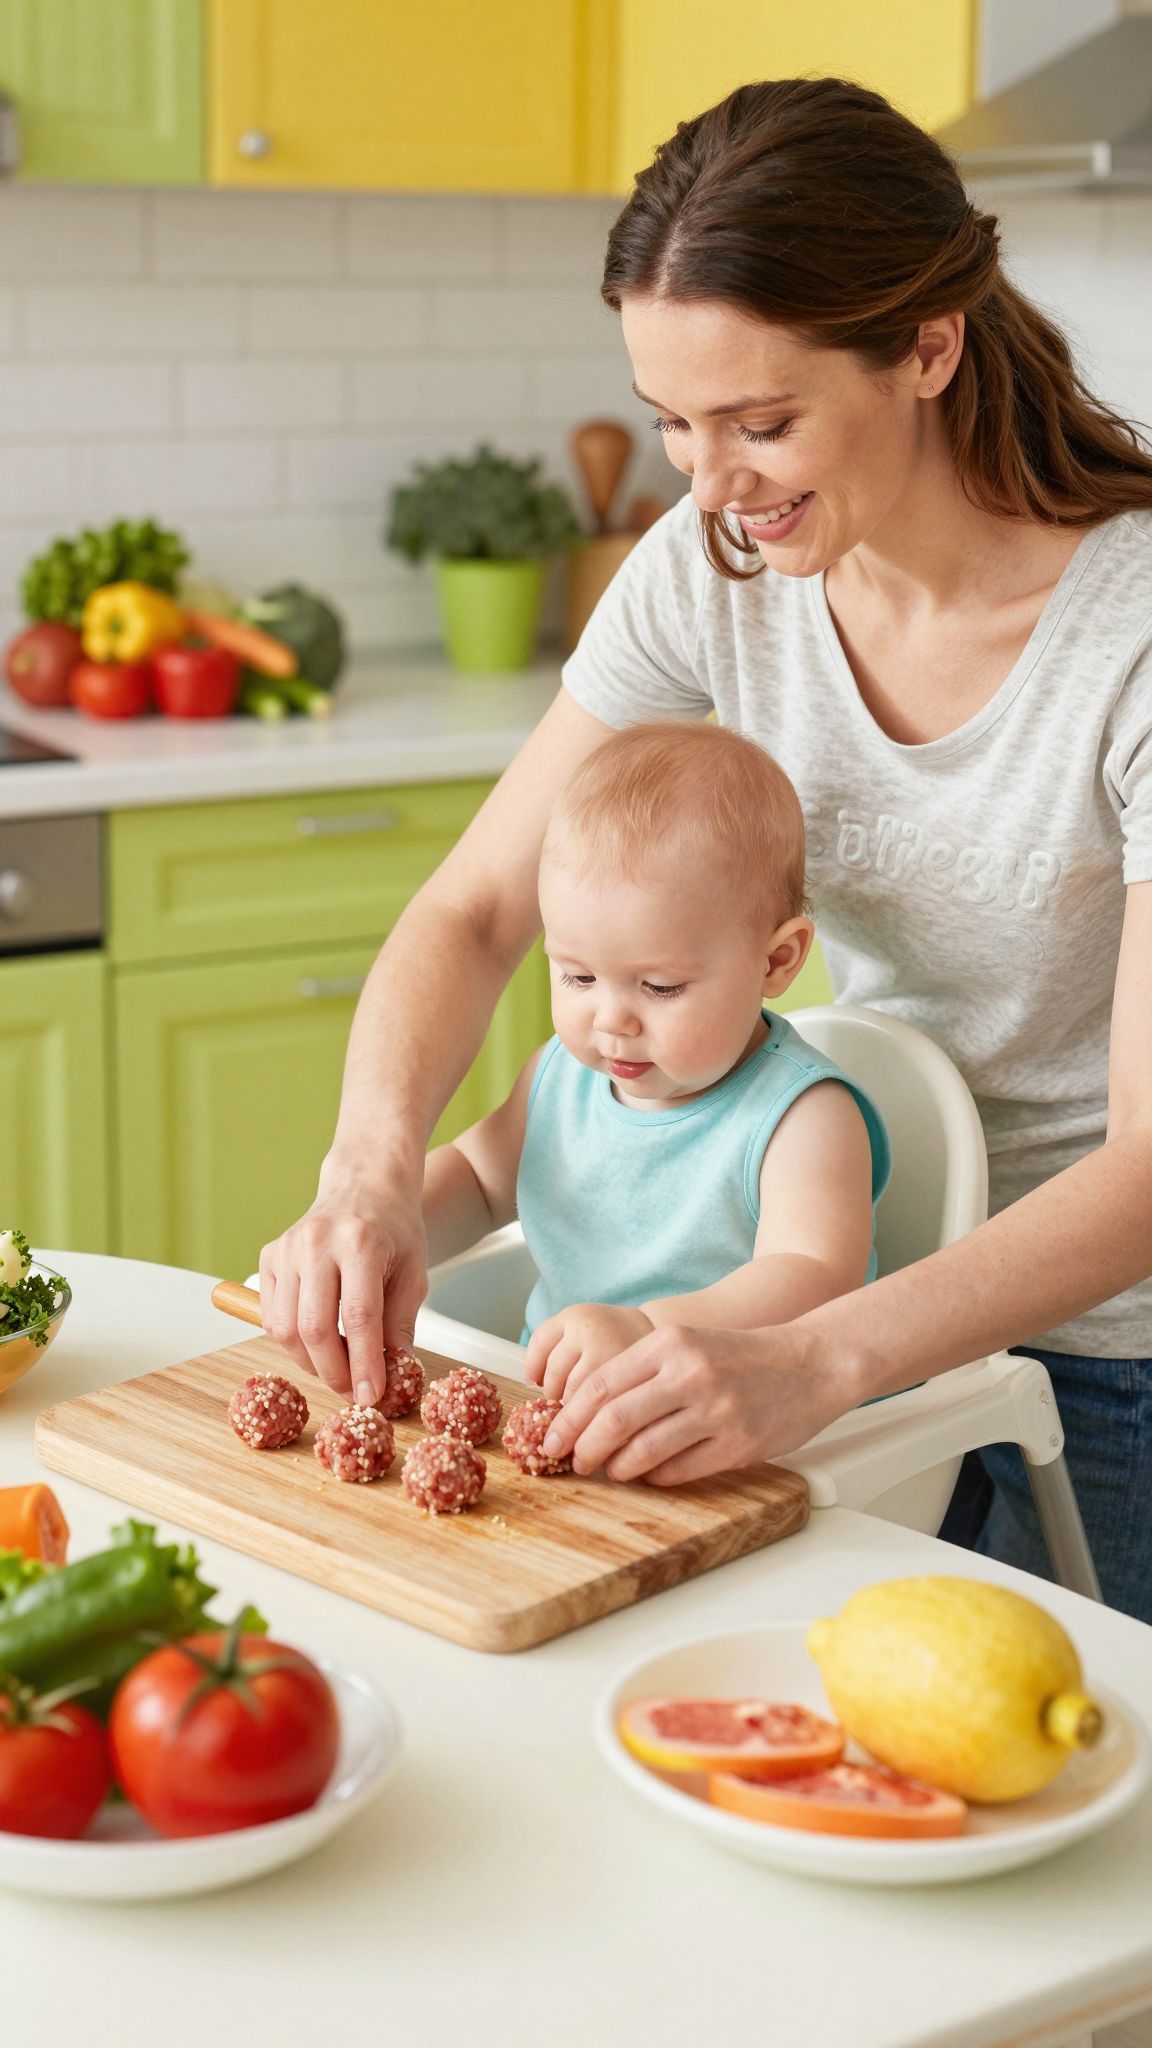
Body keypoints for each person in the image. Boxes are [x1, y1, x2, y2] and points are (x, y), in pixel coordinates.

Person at [260, 77, 1152, 1622]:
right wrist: (372, 1169)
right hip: (798, 1307)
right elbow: (477, 907)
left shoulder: (1128, 635)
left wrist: (813, 1354)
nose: (710, 486)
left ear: (930, 346)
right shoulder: (716, 569)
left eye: (764, 421)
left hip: (1094, 1358)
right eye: (676, 424)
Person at [418, 721, 889, 1425]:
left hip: (741, 1427)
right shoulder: (559, 1077)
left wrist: (647, 1331)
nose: (613, 1020)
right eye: (577, 976)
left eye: (660, 987)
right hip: (558, 1410)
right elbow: (479, 1182)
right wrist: (385, 1222)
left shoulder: (804, 1117)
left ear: (777, 963)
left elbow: (815, 1278)